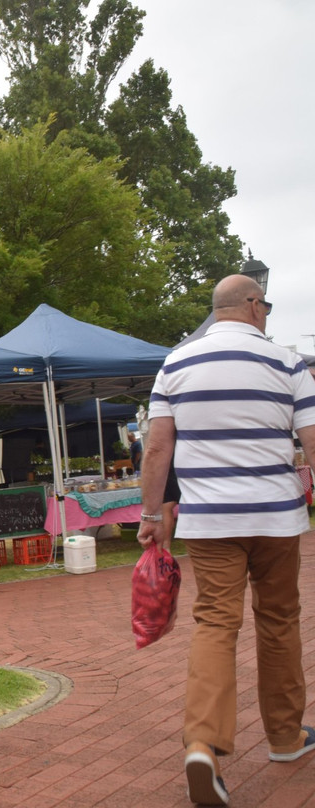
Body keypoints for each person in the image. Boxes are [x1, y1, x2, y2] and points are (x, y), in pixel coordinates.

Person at [138, 273, 315, 807]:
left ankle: (202, 744)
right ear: (254, 305)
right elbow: (312, 439)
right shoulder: (288, 363)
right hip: (276, 518)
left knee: (216, 621)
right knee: (279, 619)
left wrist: (151, 514)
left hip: (211, 520)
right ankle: (285, 737)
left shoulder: (176, 363)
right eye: (267, 305)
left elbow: (157, 448)